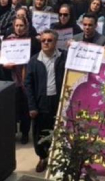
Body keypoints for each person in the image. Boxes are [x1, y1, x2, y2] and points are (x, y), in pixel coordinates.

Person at [25, 30, 67, 173]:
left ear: (55, 42)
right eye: (43, 40)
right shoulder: (34, 61)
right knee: (39, 132)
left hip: (58, 101)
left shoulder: (64, 57)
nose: (46, 43)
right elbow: (28, 86)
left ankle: (57, 157)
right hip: (41, 102)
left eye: (49, 40)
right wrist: (32, 106)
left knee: (58, 130)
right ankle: (42, 157)